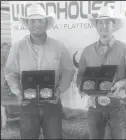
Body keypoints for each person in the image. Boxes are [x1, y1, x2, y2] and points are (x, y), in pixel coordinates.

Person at [4, 3, 75, 139]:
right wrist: (18, 92)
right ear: (28, 23)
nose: (36, 24)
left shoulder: (58, 46)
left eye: (40, 21)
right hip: (27, 104)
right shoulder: (17, 47)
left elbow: (68, 70)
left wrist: (59, 91)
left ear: (46, 23)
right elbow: (10, 73)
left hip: (52, 104)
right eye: (32, 21)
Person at [76, 6, 126, 139]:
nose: (104, 26)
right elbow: (80, 77)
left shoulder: (125, 49)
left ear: (114, 26)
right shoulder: (87, 51)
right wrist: (81, 88)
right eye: (100, 22)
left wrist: (121, 83)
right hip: (94, 106)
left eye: (107, 22)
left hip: (117, 106)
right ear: (96, 26)